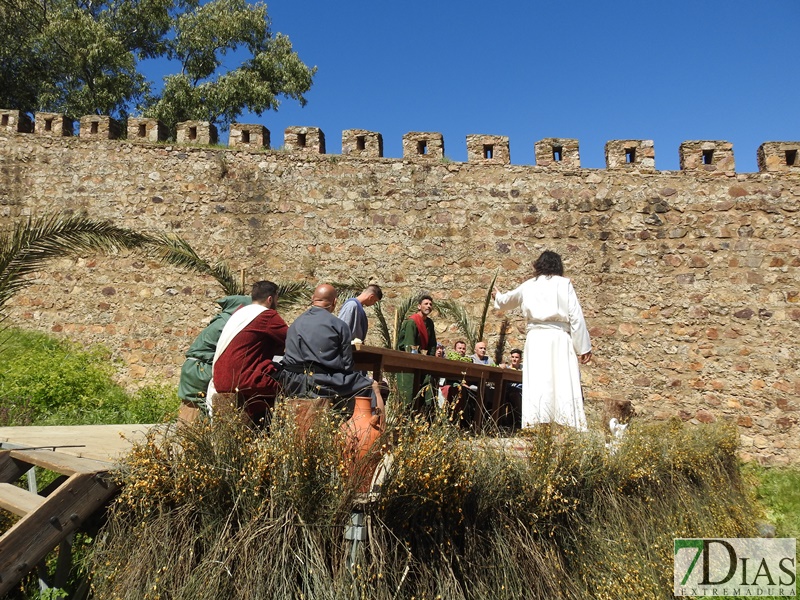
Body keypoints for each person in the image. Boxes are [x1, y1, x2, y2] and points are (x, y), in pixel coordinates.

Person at [493, 250, 592, 431]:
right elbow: (576, 316)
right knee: (561, 379)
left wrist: (498, 297)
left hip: (537, 339)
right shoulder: (564, 284)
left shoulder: (529, 285)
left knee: (539, 380)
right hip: (559, 338)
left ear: (539, 265)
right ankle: (565, 423)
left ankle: (539, 423)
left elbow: (508, 300)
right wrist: (583, 347)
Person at [279, 284, 385, 415]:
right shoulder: (338, 325)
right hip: (322, 382)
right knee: (372, 386)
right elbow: (347, 365)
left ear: (313, 299)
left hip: (292, 382)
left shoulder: (295, 324)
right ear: (335, 302)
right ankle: (373, 430)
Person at [210, 281, 288, 424]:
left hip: (221, 379)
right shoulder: (267, 315)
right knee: (294, 382)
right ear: (271, 299)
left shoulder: (239, 314)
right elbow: (291, 338)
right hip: (244, 379)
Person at [177, 294, 251, 421]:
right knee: (196, 411)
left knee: (191, 408)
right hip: (200, 369)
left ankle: (186, 438)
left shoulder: (221, 320)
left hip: (193, 368)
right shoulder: (228, 323)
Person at [397, 294, 437, 408]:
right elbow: (410, 345)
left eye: (430, 304)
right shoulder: (412, 322)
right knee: (409, 394)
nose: (428, 306)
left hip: (423, 361)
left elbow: (432, 344)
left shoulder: (430, 323)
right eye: (426, 304)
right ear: (419, 306)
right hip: (410, 362)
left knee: (428, 385)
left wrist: (430, 359)